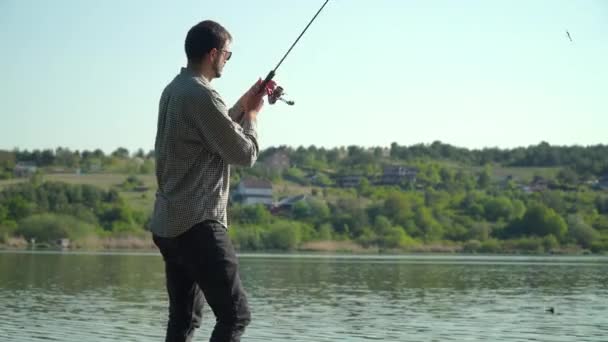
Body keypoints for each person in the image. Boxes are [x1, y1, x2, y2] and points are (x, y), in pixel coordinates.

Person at [150, 19, 265, 342]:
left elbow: (214, 130)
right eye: (228, 54)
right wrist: (253, 117)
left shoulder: (175, 89)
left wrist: (244, 105)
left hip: (170, 225)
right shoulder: (202, 95)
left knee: (183, 321)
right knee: (235, 316)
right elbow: (244, 153)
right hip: (199, 224)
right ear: (213, 53)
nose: (228, 60)